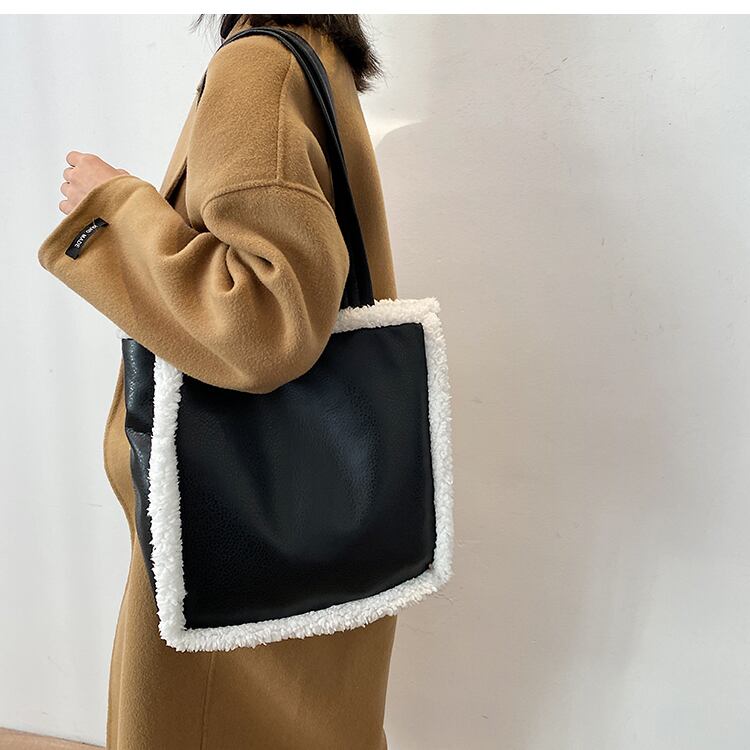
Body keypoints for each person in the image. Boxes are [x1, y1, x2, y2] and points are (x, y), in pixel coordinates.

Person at [37, 14, 399, 750]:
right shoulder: (315, 52)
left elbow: (268, 320)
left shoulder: (260, 65)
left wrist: (114, 208)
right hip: (311, 508)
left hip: (225, 522)